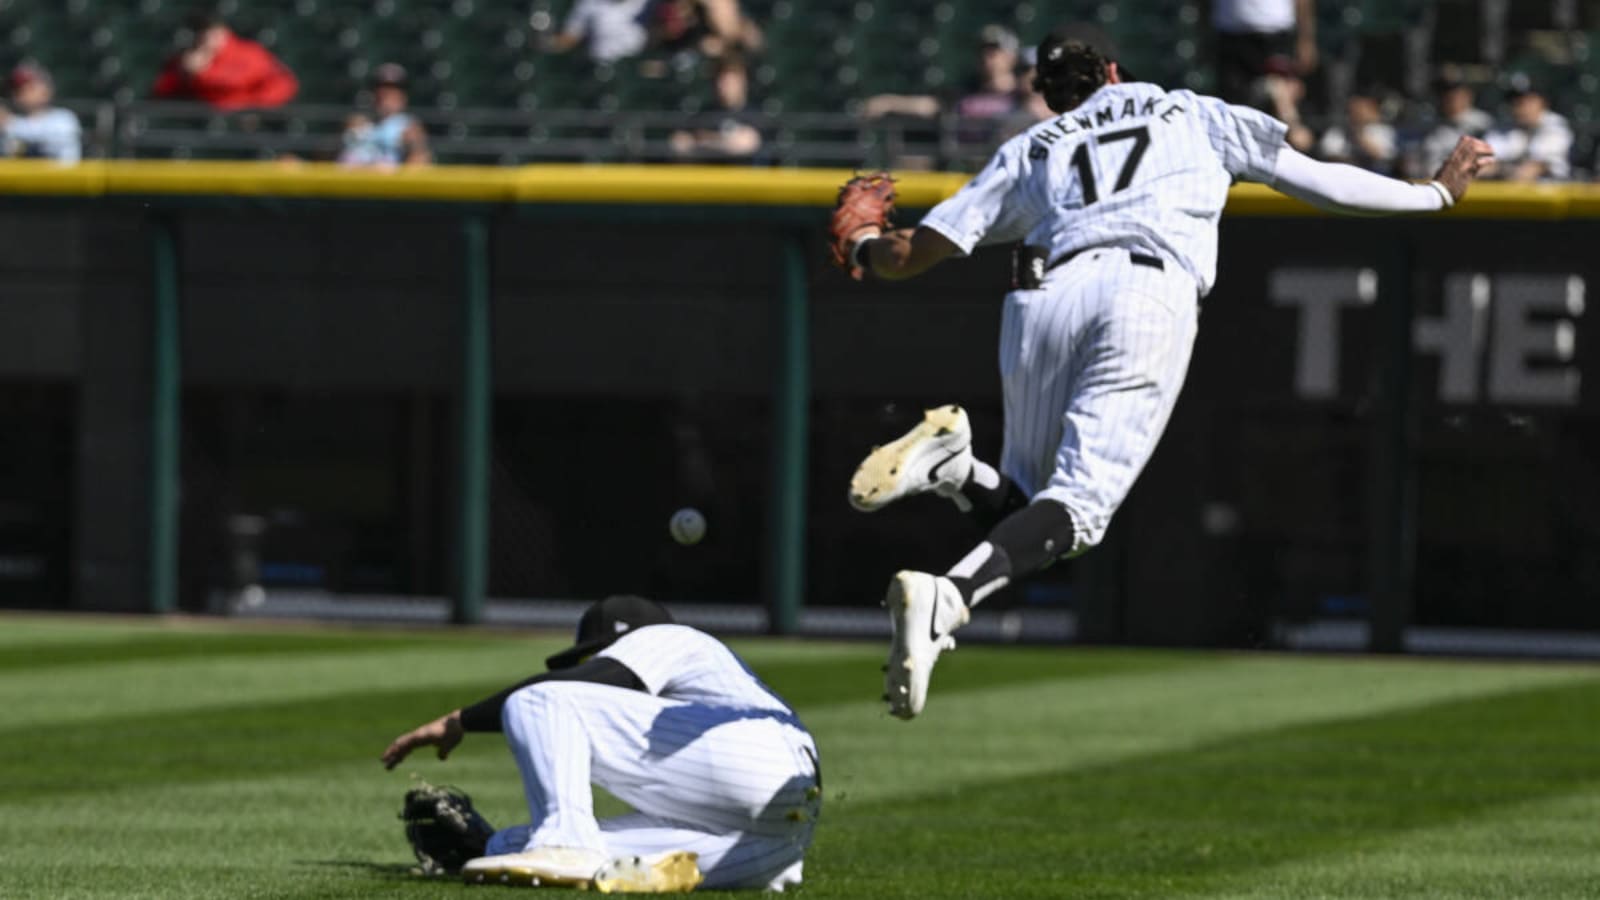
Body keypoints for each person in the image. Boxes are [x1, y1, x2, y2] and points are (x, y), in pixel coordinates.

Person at [833, 23, 1493, 720]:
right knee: (1078, 511)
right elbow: (1321, 180)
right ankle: (952, 596)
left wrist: (867, 246)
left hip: (1040, 295)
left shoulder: (1031, 147)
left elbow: (913, 255)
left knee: (1028, 510)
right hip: (1145, 291)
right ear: (1115, 70)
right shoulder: (1192, 111)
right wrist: (1435, 194)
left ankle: (956, 468)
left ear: (1051, 94)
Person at [380, 595, 821, 891]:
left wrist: (461, 721)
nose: (588, 666)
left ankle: (565, 840)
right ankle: (580, 852)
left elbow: (595, 682)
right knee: (514, 850)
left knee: (536, 700)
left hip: (752, 756)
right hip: (779, 837)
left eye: (595, 654)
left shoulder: (675, 639)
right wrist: (483, 847)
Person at [151, 12, 298, 110]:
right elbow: (162, 90)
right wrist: (184, 75)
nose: (207, 38)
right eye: (203, 32)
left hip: (244, 121)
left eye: (212, 32)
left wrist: (255, 107)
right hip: (201, 122)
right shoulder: (186, 57)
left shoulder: (248, 52)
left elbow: (283, 84)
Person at [1213, 0, 1317, 105]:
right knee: (1233, 103)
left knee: (1282, 104)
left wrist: (1306, 40)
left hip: (1276, 34)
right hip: (1231, 36)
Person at [338, 64, 430, 169]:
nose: (385, 93)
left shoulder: (409, 126)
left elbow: (420, 161)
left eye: (394, 88)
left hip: (386, 182)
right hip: (350, 180)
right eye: (380, 87)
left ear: (404, 95)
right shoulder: (356, 121)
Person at [1484, 75, 1573, 182]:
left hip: (1550, 193)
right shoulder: (1501, 127)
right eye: (1517, 101)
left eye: (1529, 100)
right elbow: (1487, 164)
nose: (1522, 106)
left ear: (1543, 102)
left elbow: (1536, 166)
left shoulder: (1556, 125)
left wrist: (1503, 168)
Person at [0, 63, 80, 163]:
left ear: (46, 89)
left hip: (60, 178)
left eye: (29, 87)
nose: (21, 93)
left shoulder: (64, 118)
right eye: (17, 90)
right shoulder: (15, 123)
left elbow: (42, 137)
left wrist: (8, 124)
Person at [1417, 77, 1492, 176]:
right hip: (1431, 180)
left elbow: (1492, 163)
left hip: (1472, 184)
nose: (1452, 100)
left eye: (1457, 95)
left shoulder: (1483, 123)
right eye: (1448, 95)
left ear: (1468, 97)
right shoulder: (1430, 125)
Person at [542, 0, 652, 65]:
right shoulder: (595, 53)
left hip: (638, 7)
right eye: (559, 46)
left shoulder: (579, 14)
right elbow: (633, 46)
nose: (563, 43)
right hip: (646, 35)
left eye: (559, 39)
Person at [1317, 88, 1397, 173]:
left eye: (1364, 108)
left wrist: (1359, 134)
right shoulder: (1337, 131)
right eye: (1355, 109)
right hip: (1344, 174)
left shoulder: (1384, 130)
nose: (1360, 112)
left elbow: (1383, 156)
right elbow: (1329, 156)